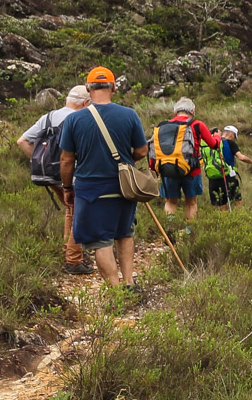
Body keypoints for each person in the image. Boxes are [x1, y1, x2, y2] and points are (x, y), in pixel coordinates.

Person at [57, 66, 146, 290]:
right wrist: (126, 162)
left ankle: (116, 291)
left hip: (90, 190)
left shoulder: (74, 120)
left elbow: (66, 160)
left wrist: (67, 188)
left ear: (88, 88)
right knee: (124, 234)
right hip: (124, 187)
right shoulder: (129, 115)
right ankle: (128, 282)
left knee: (101, 241)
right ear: (113, 87)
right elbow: (142, 151)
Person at [19, 86, 89, 273]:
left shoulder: (48, 117)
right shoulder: (79, 119)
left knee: (71, 211)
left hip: (49, 176)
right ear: (85, 102)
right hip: (70, 176)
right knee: (79, 215)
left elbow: (22, 141)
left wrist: (39, 161)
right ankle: (74, 261)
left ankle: (69, 250)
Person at [151, 97, 220, 228]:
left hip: (168, 169)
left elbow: (154, 148)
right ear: (192, 111)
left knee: (171, 202)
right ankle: (190, 232)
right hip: (192, 171)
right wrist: (217, 136)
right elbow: (213, 145)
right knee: (191, 202)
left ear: (174, 112)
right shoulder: (197, 124)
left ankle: (170, 228)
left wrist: (154, 169)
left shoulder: (162, 126)